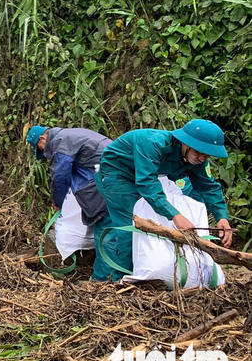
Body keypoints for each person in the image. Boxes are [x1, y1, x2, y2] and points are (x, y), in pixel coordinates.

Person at [94, 119, 233, 282]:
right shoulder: (152, 143)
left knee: (151, 223)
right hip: (117, 174)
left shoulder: (195, 159)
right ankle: (120, 280)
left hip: (144, 177)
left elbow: (208, 186)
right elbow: (146, 183)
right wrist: (175, 215)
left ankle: (143, 273)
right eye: (199, 152)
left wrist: (221, 216)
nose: (202, 158)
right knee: (130, 226)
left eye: (207, 154)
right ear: (186, 143)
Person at [27, 125, 112, 280]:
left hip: (106, 179)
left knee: (104, 228)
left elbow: (59, 177)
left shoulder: (60, 143)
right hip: (113, 174)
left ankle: (102, 279)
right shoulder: (70, 135)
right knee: (113, 227)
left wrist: (58, 203)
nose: (43, 153)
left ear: (43, 138)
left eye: (40, 148)